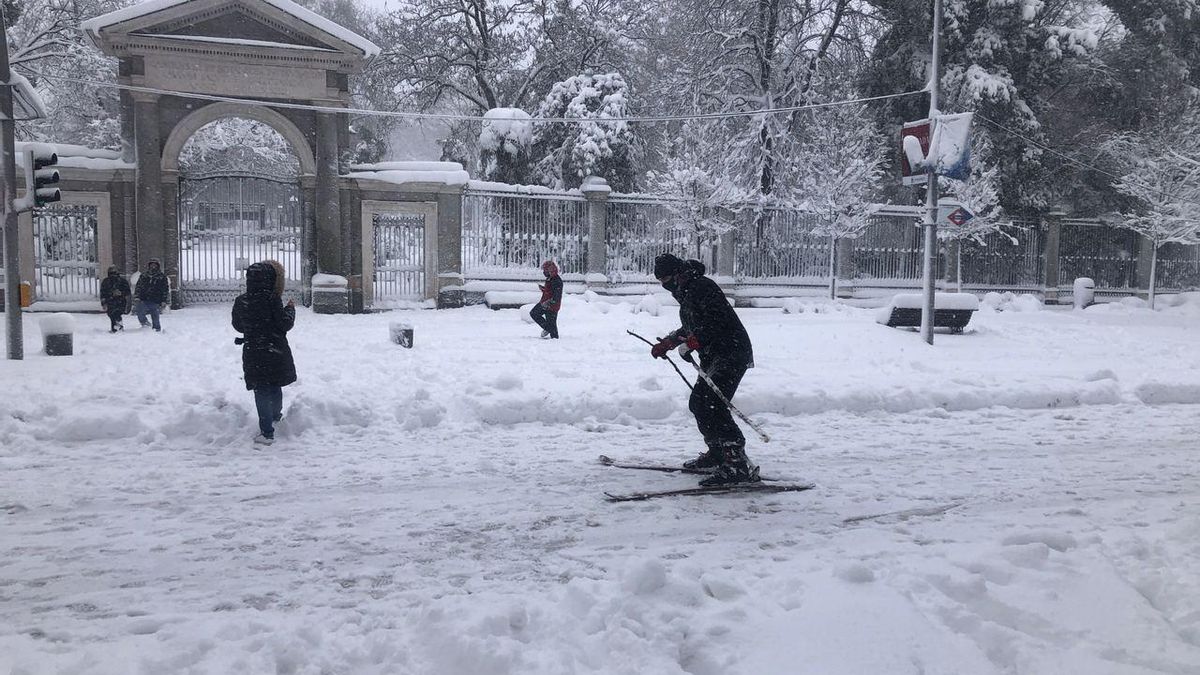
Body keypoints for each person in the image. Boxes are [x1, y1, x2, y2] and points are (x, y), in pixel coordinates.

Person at [649, 253, 758, 486]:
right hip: (715, 354)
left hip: (731, 352)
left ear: (678, 274)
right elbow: (692, 324)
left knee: (713, 404)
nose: (665, 285)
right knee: (700, 403)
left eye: (666, 278)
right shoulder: (687, 290)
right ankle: (718, 453)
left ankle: (735, 463)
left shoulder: (702, 286)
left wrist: (693, 343)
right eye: (661, 281)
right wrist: (670, 342)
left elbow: (715, 322)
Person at [232, 260, 296, 446]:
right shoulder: (272, 299)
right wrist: (290, 309)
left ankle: (266, 431)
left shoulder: (242, 300)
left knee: (261, 389)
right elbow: (284, 323)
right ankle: (275, 416)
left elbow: (237, 325)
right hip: (274, 348)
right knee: (275, 384)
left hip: (254, 350)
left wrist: (252, 327)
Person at [133, 258, 170, 331]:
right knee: (140, 312)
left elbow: (165, 289)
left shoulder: (162, 277)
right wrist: (137, 296)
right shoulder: (144, 275)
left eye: (155, 265)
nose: (153, 266)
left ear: (158, 266)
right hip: (144, 299)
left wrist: (164, 300)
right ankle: (146, 325)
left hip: (156, 300)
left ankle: (156, 329)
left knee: (155, 315)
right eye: (152, 264)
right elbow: (138, 286)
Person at [530, 260, 563, 339]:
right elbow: (550, 291)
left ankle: (555, 341)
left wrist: (549, 303)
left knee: (552, 326)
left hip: (552, 306)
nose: (544, 272)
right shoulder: (549, 278)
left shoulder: (557, 280)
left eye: (545, 270)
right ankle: (548, 328)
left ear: (550, 270)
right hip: (544, 303)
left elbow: (556, 296)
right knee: (534, 313)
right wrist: (543, 289)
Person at [99, 265, 132, 333]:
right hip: (110, 302)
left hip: (121, 302)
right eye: (111, 273)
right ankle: (116, 328)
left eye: (114, 273)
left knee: (116, 313)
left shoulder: (122, 281)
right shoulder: (106, 282)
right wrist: (104, 303)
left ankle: (117, 328)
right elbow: (103, 293)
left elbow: (128, 292)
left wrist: (121, 293)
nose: (113, 275)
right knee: (112, 314)